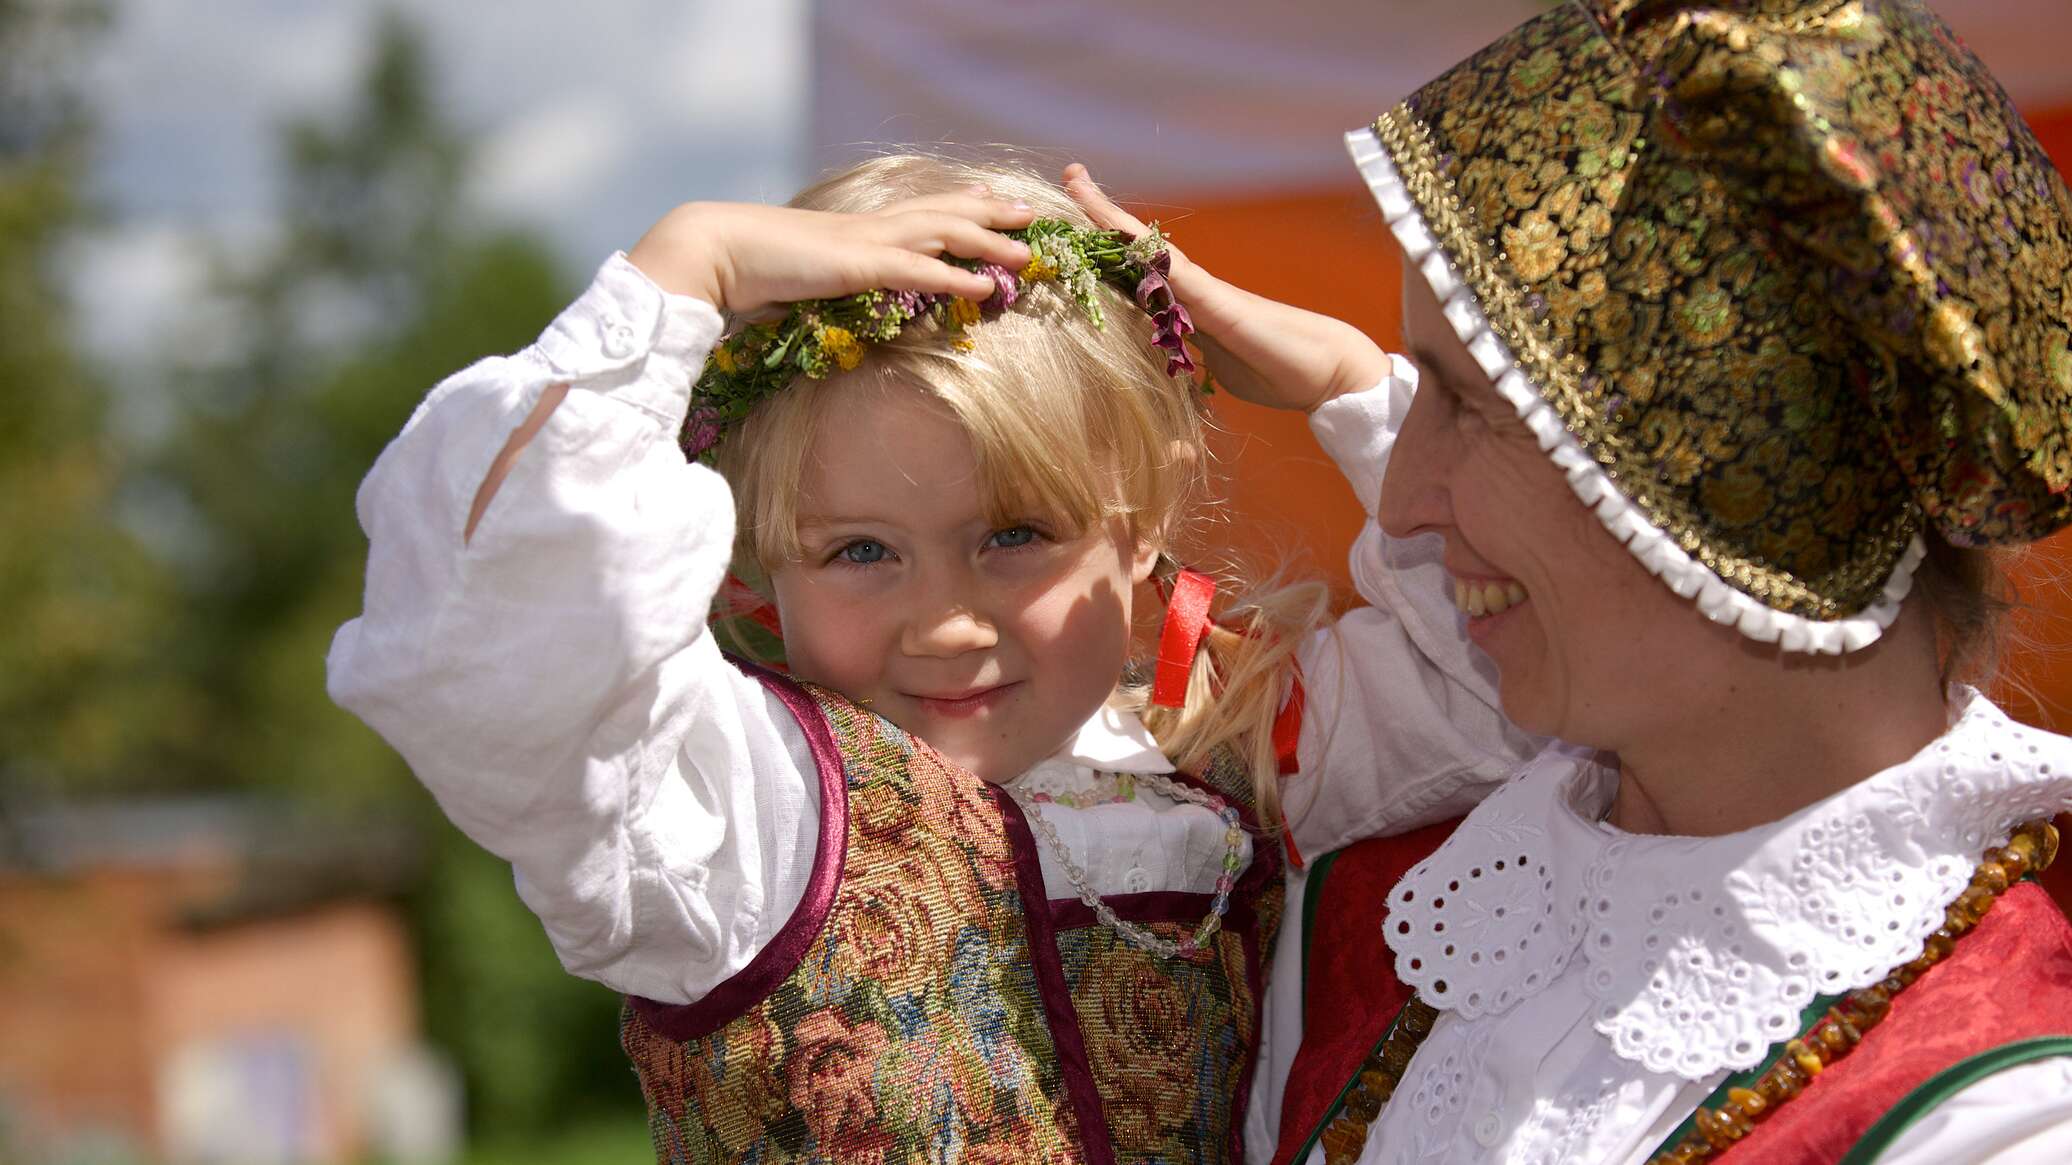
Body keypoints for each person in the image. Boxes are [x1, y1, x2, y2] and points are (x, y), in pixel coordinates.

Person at [327, 152, 1535, 1162]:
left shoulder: (1227, 740)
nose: (946, 622)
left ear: (1145, 519)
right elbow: (485, 634)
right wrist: (683, 272)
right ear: (759, 561)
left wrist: (1348, 385)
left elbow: (1517, 687)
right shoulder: (746, 813)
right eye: (861, 550)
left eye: (1014, 534)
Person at [1159, 1, 2072, 1162]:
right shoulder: (1384, 920)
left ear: (1731, 472)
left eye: (1473, 407)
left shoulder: (1991, 1120)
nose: (1400, 502)